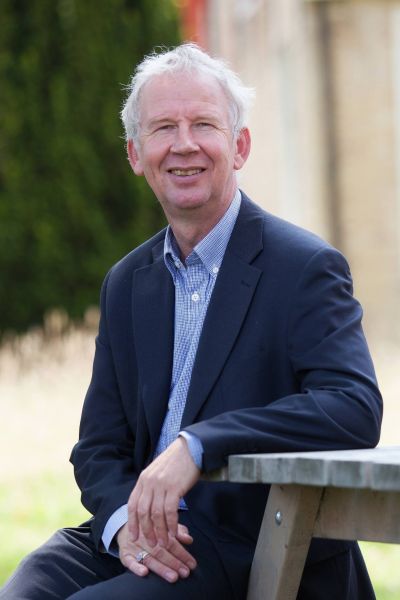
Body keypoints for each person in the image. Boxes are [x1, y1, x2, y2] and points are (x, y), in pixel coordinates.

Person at [1, 42, 382, 600]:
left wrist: (198, 445)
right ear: (136, 154)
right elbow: (98, 447)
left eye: (203, 124)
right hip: (137, 532)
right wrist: (123, 525)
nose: (184, 144)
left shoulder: (304, 267)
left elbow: (353, 407)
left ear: (240, 146)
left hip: (244, 542)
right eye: (163, 128)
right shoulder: (126, 282)